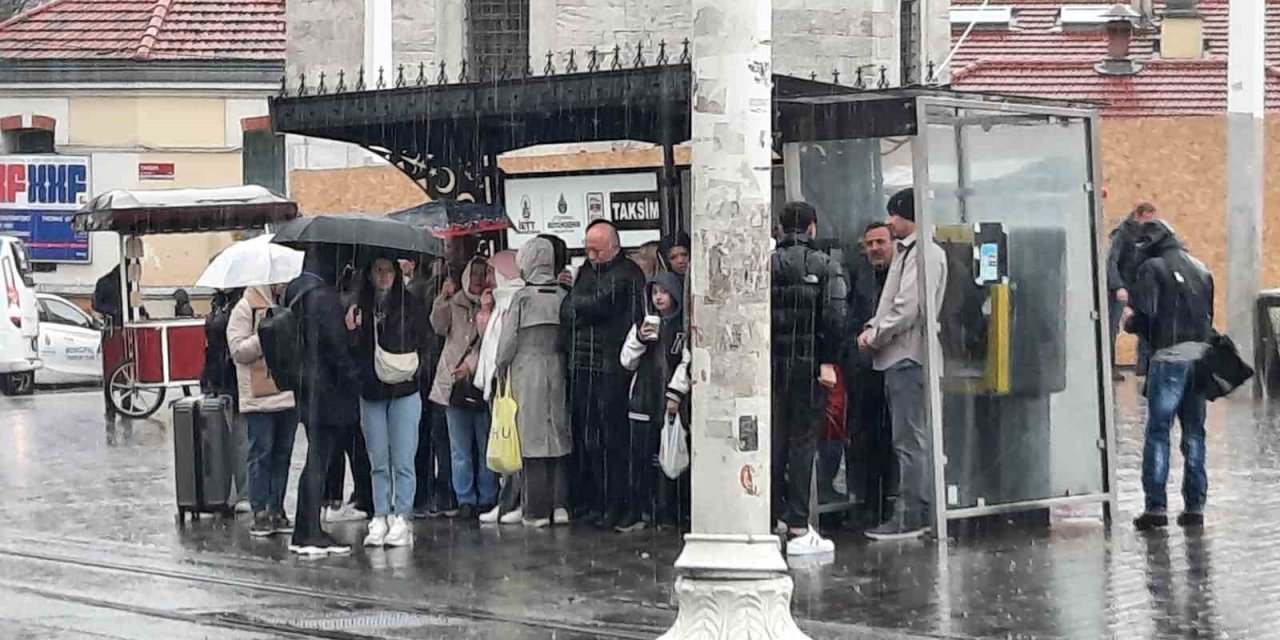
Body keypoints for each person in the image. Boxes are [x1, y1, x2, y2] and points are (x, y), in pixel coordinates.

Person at [859, 188, 947, 541]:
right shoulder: (912, 252)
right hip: (902, 355)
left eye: (893, 215)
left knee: (910, 440)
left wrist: (874, 335)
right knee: (909, 439)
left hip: (906, 355)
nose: (890, 222)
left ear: (903, 215)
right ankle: (914, 510)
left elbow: (907, 308)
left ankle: (912, 514)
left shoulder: (922, 253)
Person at [1124, 220, 1215, 531]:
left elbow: (1147, 317)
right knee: (1194, 433)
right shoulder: (1201, 268)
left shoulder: (1153, 268)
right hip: (1200, 358)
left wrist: (1130, 322)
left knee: (1159, 432)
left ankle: (1156, 507)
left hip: (1169, 358)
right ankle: (1195, 506)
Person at [770, 201, 847, 555]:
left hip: (772, 368)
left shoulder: (765, 266)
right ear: (812, 228)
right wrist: (828, 361)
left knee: (775, 441)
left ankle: (771, 520)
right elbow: (835, 317)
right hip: (810, 368)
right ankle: (800, 525)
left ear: (780, 228)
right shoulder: (826, 265)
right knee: (803, 443)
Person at [561, 220, 645, 529]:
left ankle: (619, 503)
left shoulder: (627, 274)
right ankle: (595, 500)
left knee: (614, 441)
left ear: (614, 247)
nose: (591, 255)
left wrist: (579, 304)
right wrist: (580, 306)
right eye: (587, 249)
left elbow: (598, 305)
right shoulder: (585, 271)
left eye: (597, 250)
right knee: (589, 438)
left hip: (612, 366)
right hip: (584, 364)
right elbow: (569, 310)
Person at [819, 222, 897, 527]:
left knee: (893, 441)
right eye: (870, 243)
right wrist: (853, 354)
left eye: (880, 242)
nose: (875, 248)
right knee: (864, 439)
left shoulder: (899, 275)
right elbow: (848, 319)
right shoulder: (859, 276)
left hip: (892, 366)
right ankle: (868, 503)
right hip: (864, 372)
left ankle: (887, 503)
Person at [285, 249, 361, 555]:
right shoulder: (324, 299)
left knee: (315, 461)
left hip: (308, 389)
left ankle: (304, 529)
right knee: (319, 462)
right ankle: (310, 532)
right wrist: (354, 374)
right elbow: (336, 349)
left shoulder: (296, 296)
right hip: (328, 393)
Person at [348, 256, 428, 547]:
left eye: (388, 271)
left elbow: (425, 342)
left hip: (405, 388)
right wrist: (354, 330)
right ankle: (380, 513)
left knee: (404, 459)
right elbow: (353, 352)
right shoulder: (360, 308)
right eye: (377, 270)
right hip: (371, 389)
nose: (384, 277)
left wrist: (416, 370)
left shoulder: (411, 304)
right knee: (378, 459)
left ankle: (402, 515)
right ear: (369, 275)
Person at [494, 237, 573, 528]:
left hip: (526, 369)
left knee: (530, 439)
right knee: (558, 433)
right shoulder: (563, 294)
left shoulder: (523, 297)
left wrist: (499, 368)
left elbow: (507, 342)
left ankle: (536, 508)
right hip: (557, 365)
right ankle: (561, 503)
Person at [619, 271, 690, 532]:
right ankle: (640, 509)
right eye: (655, 292)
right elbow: (626, 361)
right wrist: (639, 338)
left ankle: (667, 511)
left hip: (670, 402)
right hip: (642, 400)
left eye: (664, 292)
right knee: (639, 456)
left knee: (669, 456)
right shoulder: (643, 324)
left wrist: (676, 393)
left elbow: (687, 360)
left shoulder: (683, 328)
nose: (659, 297)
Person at [430, 256, 498, 521]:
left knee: (484, 446)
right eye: (475, 273)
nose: (479, 279)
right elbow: (437, 326)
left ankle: (487, 495)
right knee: (459, 448)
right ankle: (465, 498)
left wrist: (486, 310)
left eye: (484, 274)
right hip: (453, 385)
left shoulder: (495, 305)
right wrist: (442, 299)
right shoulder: (455, 302)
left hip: (481, 382)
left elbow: (491, 342)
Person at [227, 284, 297, 538]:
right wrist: (266, 336)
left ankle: (277, 509)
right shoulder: (245, 308)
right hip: (259, 397)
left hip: (287, 392)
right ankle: (260, 511)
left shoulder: (288, 303)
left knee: (282, 455)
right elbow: (237, 350)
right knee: (261, 453)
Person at [473, 250, 527, 525]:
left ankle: (516, 502)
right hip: (498, 384)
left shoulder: (514, 301)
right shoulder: (500, 303)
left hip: (509, 384)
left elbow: (504, 346)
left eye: (493, 273)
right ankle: (505, 501)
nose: (488, 279)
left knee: (513, 446)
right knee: (502, 444)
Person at [406, 257, 456, 519]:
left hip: (423, 368)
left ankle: (422, 493)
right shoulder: (435, 290)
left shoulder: (414, 291)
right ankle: (444, 493)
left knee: (424, 437)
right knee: (442, 438)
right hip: (436, 366)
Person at [1108, 202, 1158, 379]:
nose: (1150, 222)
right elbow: (1112, 262)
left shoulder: (1148, 235)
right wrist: (1118, 286)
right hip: (1121, 288)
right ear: (1138, 215)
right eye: (1147, 218)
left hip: (1138, 288)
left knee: (1144, 325)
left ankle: (1143, 366)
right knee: (1112, 328)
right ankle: (1109, 366)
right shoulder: (1122, 234)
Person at [93, 265, 124, 420]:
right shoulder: (105, 283)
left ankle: (126, 404)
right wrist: (113, 311)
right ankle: (110, 408)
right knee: (111, 370)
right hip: (112, 330)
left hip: (125, 329)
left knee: (126, 371)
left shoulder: (129, 284)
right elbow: (96, 305)